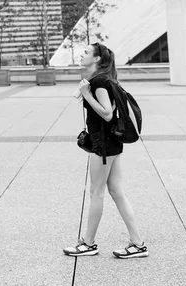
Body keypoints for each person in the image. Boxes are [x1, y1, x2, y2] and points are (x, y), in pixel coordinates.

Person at [63, 43, 148, 259]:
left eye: (86, 53)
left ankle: (88, 244)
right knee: (117, 192)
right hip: (112, 143)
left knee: (96, 193)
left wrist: (87, 94)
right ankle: (138, 244)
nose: (82, 55)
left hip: (103, 145)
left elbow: (107, 114)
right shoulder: (102, 79)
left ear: (97, 59)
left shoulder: (99, 81)